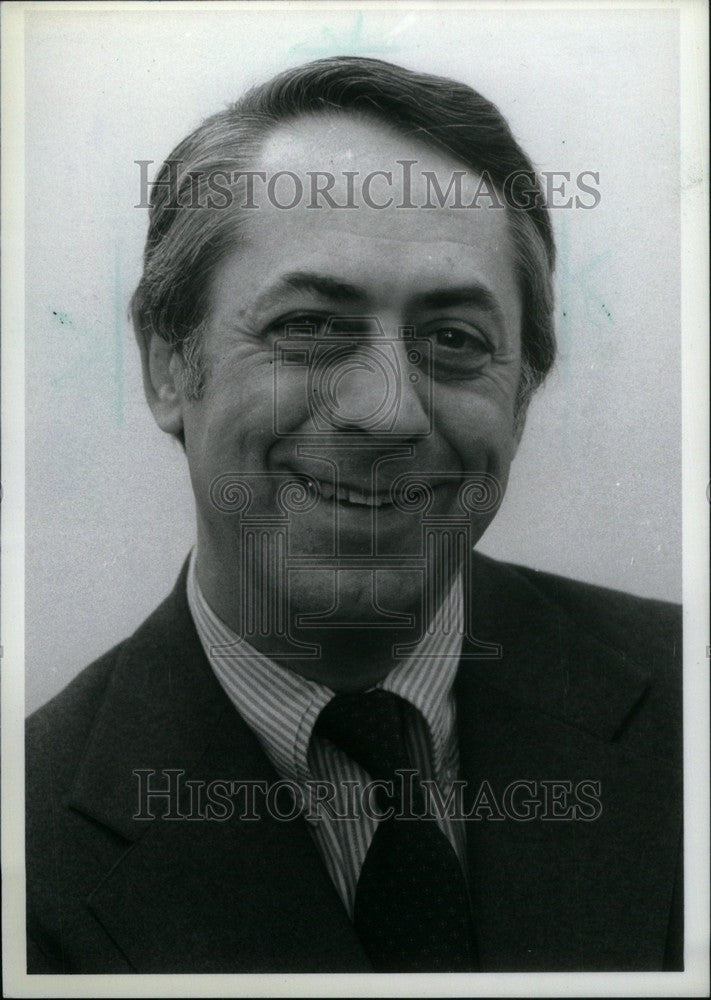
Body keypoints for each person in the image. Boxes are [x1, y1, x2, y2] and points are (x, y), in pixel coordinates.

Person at [26, 56, 682, 974]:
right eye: (310, 328)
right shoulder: (27, 843)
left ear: (524, 394)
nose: (386, 412)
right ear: (168, 367)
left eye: (453, 341)